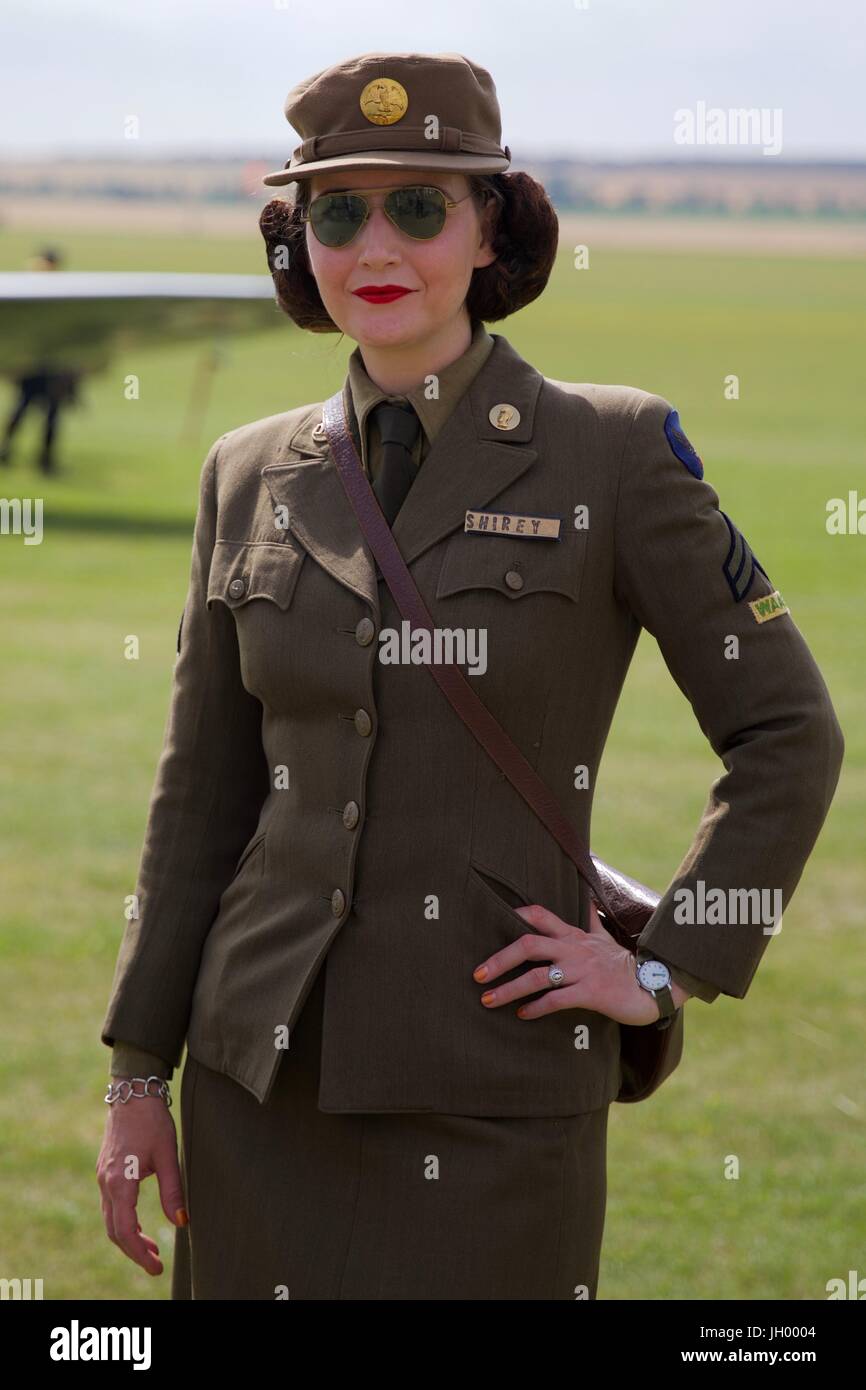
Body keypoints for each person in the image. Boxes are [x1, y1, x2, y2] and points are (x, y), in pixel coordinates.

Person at [96, 51, 845, 1301]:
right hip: (258, 1088)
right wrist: (136, 1075)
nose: (375, 243)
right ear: (300, 239)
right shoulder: (246, 471)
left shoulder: (610, 452)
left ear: (489, 226)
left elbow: (787, 732)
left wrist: (663, 962)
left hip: (493, 1091)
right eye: (338, 210)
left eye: (419, 204)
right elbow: (198, 805)